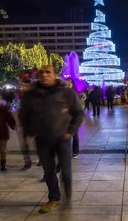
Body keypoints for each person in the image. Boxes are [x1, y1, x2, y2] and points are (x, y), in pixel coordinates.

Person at [19, 65, 84, 213]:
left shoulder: (66, 92)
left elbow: (79, 113)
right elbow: (23, 115)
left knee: (66, 172)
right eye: (41, 72)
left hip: (63, 138)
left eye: (48, 72)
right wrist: (30, 130)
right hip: (42, 139)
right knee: (49, 171)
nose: (44, 75)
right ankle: (54, 198)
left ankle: (67, 195)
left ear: (55, 75)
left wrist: (71, 131)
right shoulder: (31, 94)